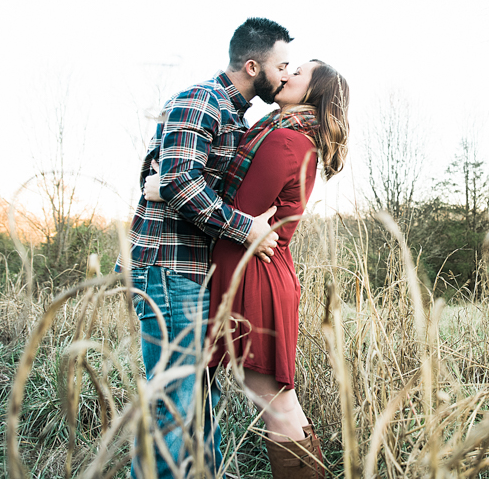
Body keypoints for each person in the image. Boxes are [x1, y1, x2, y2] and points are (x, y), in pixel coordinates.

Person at [145, 59, 349, 479]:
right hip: (252, 270)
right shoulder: (282, 134)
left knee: (276, 404)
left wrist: (165, 189)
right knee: (273, 400)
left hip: (254, 277)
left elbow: (242, 215)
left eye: (300, 74)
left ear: (314, 92)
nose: (288, 74)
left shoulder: (285, 141)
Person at [118, 17, 292, 479]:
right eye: (282, 65)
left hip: (200, 274)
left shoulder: (237, 118)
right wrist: (245, 229)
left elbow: (167, 179)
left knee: (201, 398)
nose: (286, 74)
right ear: (253, 65)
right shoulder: (201, 100)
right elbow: (176, 179)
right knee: (176, 400)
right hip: (170, 268)